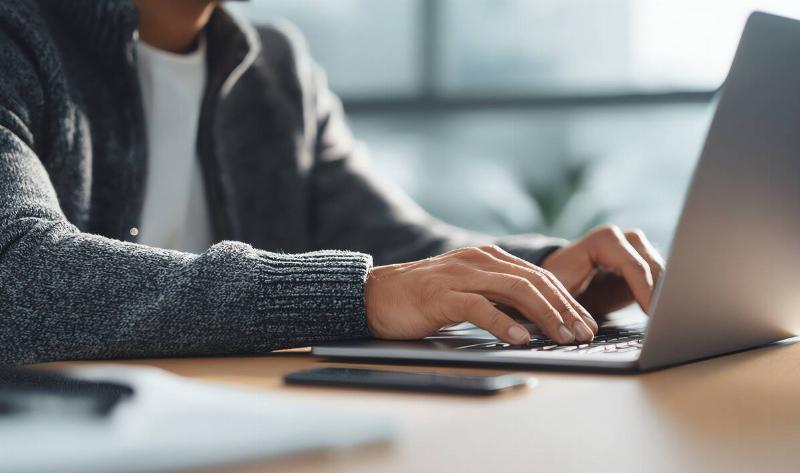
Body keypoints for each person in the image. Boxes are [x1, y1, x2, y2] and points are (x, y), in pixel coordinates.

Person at [0, 0, 664, 366]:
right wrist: (354, 294)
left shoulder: (277, 69)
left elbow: (396, 242)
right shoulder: (17, 38)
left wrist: (543, 270)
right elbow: (17, 271)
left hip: (240, 430)